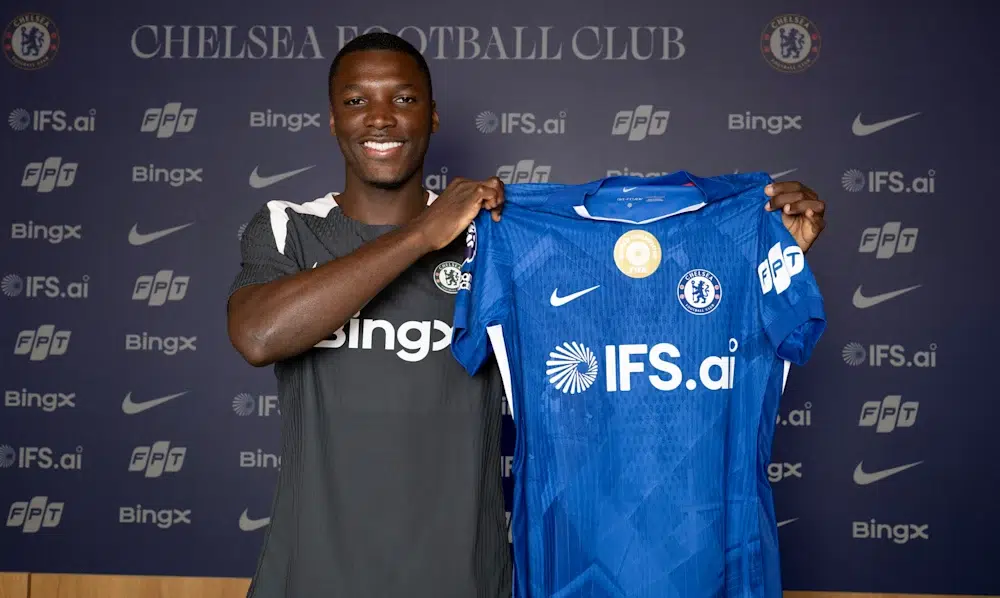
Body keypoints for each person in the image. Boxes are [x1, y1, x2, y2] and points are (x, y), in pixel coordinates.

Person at [225, 32, 827, 598]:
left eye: (403, 99)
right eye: (357, 100)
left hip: (461, 578)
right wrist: (422, 234)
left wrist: (759, 258)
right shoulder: (288, 226)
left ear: (432, 116)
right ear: (333, 119)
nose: (380, 118)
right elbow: (257, 334)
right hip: (310, 575)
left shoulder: (493, 237)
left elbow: (628, 325)